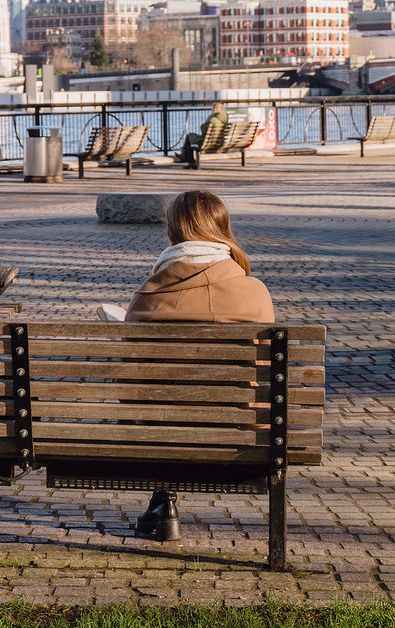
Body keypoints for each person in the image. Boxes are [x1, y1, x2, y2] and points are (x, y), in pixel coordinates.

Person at [121, 189, 275, 541]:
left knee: (164, 408)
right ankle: (163, 502)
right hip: (242, 433)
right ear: (222, 229)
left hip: (158, 438)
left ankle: (163, 501)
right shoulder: (254, 293)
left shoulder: (147, 298)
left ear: (173, 232)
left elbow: (130, 384)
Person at [178, 103, 230, 169]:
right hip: (217, 142)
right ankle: (185, 157)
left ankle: (189, 160)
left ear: (214, 109)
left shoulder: (213, 120)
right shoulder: (224, 119)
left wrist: (207, 120)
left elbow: (203, 130)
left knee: (189, 136)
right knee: (190, 138)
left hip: (207, 142)